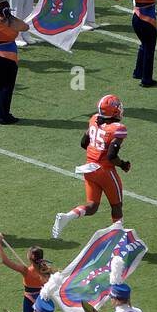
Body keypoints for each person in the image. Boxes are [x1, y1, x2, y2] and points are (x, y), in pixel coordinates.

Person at [52, 94, 129, 239]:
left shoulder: (94, 119)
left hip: (89, 168)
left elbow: (83, 143)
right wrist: (124, 164)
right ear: (113, 111)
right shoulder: (118, 128)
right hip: (105, 171)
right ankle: (119, 239)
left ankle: (67, 217)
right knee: (116, 206)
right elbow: (111, 156)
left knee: (92, 206)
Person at [0, 233, 52, 312]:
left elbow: (5, 260)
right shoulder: (47, 270)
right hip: (44, 301)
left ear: (32, 257)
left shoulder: (26, 271)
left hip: (29, 301)